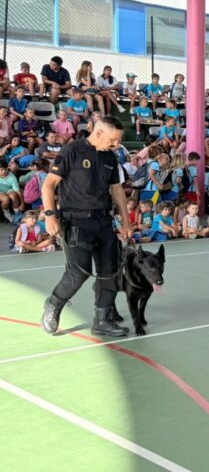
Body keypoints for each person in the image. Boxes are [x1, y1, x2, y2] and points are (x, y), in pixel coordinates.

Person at [40, 118, 132, 337]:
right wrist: (50, 216)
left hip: (104, 221)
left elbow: (116, 190)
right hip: (75, 222)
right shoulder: (71, 151)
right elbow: (49, 185)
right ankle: (53, 304)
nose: (116, 145)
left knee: (110, 272)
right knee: (78, 272)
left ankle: (102, 320)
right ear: (98, 133)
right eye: (113, 140)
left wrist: (126, 221)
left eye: (118, 141)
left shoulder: (110, 157)